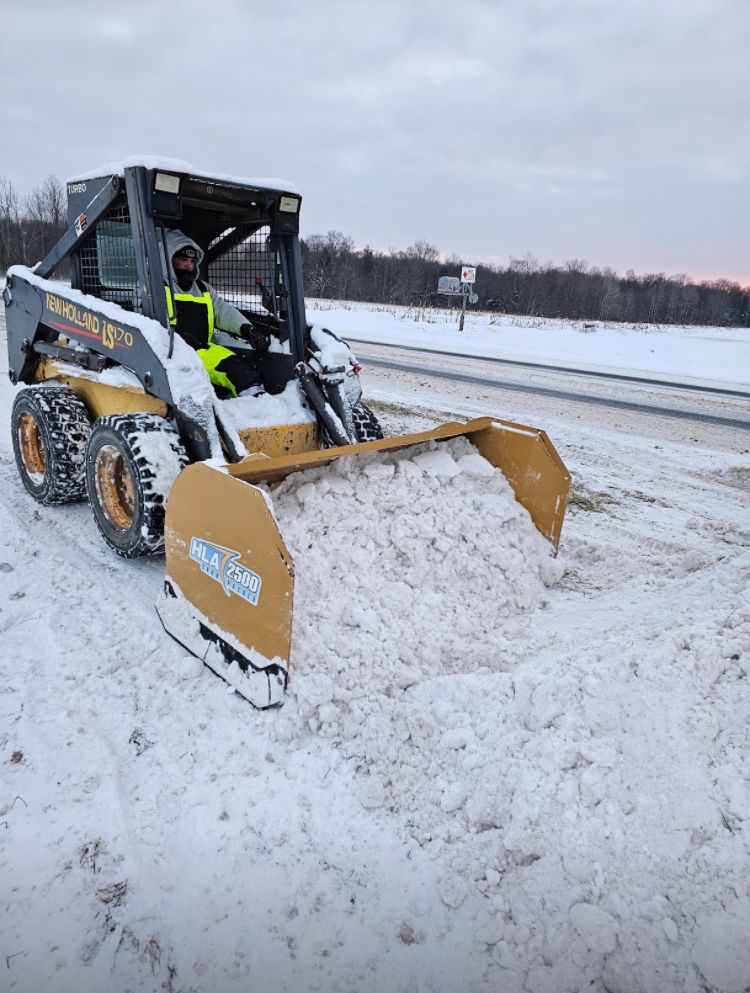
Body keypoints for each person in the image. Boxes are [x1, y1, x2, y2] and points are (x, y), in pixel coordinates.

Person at [164, 229, 270, 397]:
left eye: (192, 261)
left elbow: (223, 311)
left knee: (242, 372)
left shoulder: (204, 289)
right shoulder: (156, 287)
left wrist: (247, 330)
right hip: (172, 354)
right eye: (183, 260)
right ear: (168, 260)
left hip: (203, 350)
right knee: (233, 372)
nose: (188, 265)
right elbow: (148, 326)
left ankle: (259, 409)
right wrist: (178, 338)